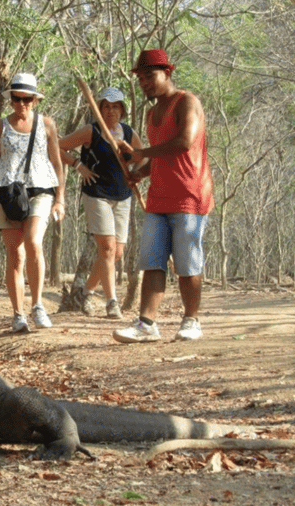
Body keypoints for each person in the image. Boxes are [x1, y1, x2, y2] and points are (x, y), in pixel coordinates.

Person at [112, 49, 214, 344]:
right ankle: (146, 324)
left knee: (187, 263)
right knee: (152, 260)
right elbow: (158, 157)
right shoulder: (151, 112)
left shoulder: (187, 101)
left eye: (150, 76)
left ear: (167, 72)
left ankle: (191, 320)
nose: (145, 83)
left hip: (189, 195)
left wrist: (140, 153)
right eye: (141, 78)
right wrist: (140, 172)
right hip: (158, 197)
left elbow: (183, 142)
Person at [0, 73, 66, 333]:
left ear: (35, 100)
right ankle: (18, 315)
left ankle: (38, 305)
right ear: (11, 99)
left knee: (33, 242)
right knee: (15, 255)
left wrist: (60, 198)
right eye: (17, 98)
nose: (22, 103)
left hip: (40, 191)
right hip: (7, 194)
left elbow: (57, 163)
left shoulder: (47, 125)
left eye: (27, 98)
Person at [59, 86, 144, 319]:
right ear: (99, 109)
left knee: (116, 252)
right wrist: (78, 166)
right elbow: (58, 146)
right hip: (97, 193)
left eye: (115, 107)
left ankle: (85, 293)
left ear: (122, 110)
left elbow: (141, 156)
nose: (110, 111)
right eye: (105, 106)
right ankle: (112, 303)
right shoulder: (91, 131)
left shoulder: (128, 133)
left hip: (123, 196)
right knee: (106, 248)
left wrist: (135, 173)